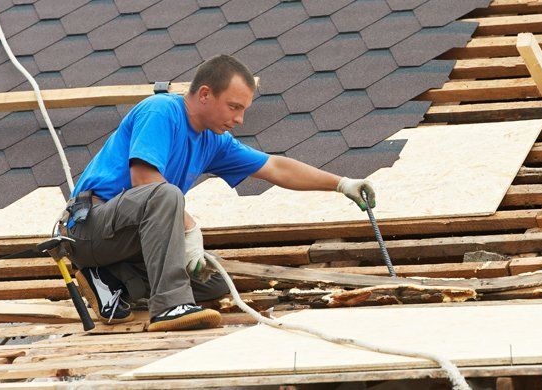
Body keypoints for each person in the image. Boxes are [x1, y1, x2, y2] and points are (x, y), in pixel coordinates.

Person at [60, 55, 376, 332]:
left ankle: (110, 281)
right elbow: (144, 180)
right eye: (234, 107)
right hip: (88, 229)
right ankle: (169, 307)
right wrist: (190, 230)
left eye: (243, 110)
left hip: (124, 240)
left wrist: (342, 183)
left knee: (212, 282)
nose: (239, 119)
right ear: (205, 95)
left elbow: (276, 168)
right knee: (166, 195)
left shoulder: (213, 140)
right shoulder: (160, 111)